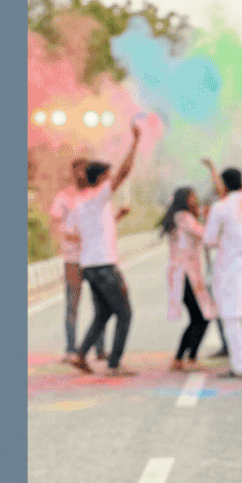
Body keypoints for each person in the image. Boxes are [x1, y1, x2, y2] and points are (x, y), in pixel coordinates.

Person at [65, 121, 141, 377]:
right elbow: (125, 172)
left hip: (89, 265)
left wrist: (116, 217)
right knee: (125, 313)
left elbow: (79, 233)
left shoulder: (81, 202)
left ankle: (80, 354)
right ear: (100, 179)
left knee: (103, 313)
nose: (111, 180)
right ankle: (114, 363)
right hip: (105, 265)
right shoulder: (99, 195)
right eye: (108, 176)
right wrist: (135, 142)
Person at [201, 160, 242, 378]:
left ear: (224, 184)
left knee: (232, 317)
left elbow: (209, 239)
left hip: (231, 266)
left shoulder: (220, 207)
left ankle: (239, 366)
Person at [48, 156, 106, 364]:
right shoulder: (64, 197)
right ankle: (71, 349)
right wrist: (70, 236)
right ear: (73, 173)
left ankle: (100, 348)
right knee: (72, 303)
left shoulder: (95, 195)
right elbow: (55, 223)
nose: (81, 174)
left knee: (100, 303)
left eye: (85, 171)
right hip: (73, 258)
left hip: (93, 257)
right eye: (78, 171)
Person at [157, 187, 217, 370]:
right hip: (185, 276)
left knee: (201, 316)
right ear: (185, 199)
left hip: (187, 274)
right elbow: (206, 236)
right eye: (193, 196)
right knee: (200, 316)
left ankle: (186, 357)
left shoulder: (179, 217)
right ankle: (184, 358)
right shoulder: (183, 217)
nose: (196, 199)